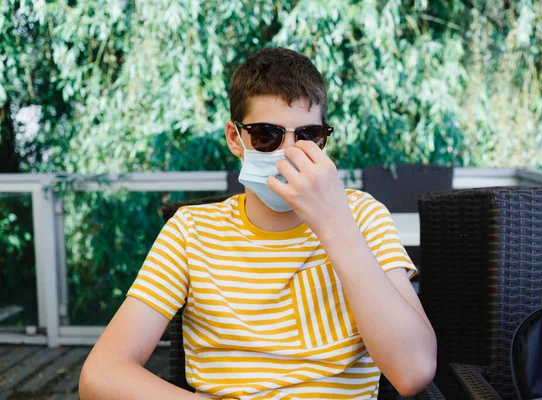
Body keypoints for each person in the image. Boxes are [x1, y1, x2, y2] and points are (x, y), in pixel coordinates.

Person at [79, 47, 437, 400]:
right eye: (267, 135)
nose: (290, 153)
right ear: (236, 138)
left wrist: (334, 225)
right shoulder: (191, 231)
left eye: (309, 136)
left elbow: (413, 372)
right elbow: (101, 375)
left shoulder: (362, 217)